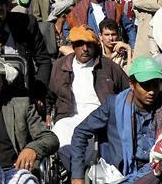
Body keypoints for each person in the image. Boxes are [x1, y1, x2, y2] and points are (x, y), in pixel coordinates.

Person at [67, 57, 162, 184]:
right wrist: (76, 174)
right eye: (145, 85)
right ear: (132, 84)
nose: (151, 91)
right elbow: (80, 132)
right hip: (125, 175)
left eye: (155, 85)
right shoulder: (114, 105)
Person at [48, 24, 130, 154]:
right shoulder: (60, 66)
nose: (85, 49)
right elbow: (50, 95)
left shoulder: (109, 67)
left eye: (89, 45)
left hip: (100, 117)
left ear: (95, 46)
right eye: (80, 44)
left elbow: (127, 92)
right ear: (73, 46)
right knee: (60, 132)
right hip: (68, 116)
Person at [66, 0, 135, 44]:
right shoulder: (78, 10)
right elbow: (66, 29)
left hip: (112, 51)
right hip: (89, 51)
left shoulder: (114, 7)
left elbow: (130, 27)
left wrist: (132, 47)